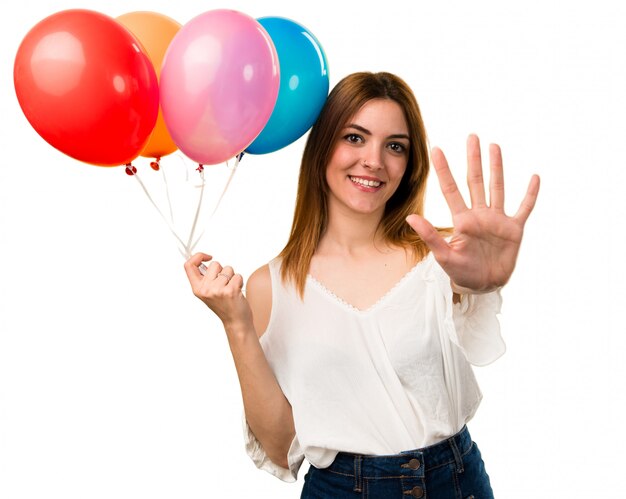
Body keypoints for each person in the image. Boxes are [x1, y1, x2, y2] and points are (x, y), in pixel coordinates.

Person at [184, 72, 540, 498]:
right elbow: (281, 448)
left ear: (408, 165)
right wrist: (236, 324)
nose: (374, 160)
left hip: (455, 483)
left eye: (394, 146)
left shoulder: (443, 259)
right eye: (355, 138)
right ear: (323, 147)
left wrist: (486, 285)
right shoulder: (272, 286)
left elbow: (476, 316)